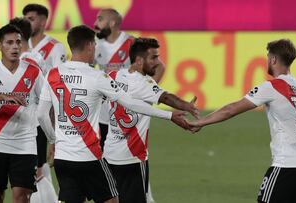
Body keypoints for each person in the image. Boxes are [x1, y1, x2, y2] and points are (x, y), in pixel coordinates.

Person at [37, 25, 190, 203]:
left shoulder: (53, 74)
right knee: (112, 200)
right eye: (94, 44)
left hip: (63, 159)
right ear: (88, 45)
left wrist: (54, 141)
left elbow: (42, 115)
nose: (95, 48)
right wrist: (170, 116)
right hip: (90, 157)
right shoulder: (98, 77)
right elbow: (131, 103)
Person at [189, 39, 296, 203]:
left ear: (273, 59)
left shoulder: (272, 86)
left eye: (268, 57)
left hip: (285, 164)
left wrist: (201, 122)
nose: (267, 61)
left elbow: (231, 110)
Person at [103, 37, 199, 203]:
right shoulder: (144, 84)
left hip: (109, 154)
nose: (157, 62)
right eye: (153, 57)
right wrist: (187, 106)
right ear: (139, 60)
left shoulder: (113, 75)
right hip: (132, 158)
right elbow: (166, 98)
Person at [94, 9, 165, 202]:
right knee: (107, 170)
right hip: (103, 117)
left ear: (113, 23)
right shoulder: (96, 46)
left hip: (128, 119)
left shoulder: (131, 43)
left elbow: (160, 66)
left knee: (134, 163)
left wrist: (145, 98)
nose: (95, 22)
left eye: (100, 19)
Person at [0, 24, 44, 203]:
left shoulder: (33, 71)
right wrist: (2, 96)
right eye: (9, 42)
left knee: (22, 197)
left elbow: (46, 102)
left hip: (25, 142)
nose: (15, 47)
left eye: (18, 42)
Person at [9, 17, 58, 203]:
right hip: (37, 124)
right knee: (38, 170)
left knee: (32, 176)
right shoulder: (38, 58)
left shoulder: (26, 62)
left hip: (28, 126)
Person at [23, 3, 67, 182]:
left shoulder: (55, 47)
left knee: (39, 164)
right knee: (30, 165)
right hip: (24, 112)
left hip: (43, 112)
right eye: (25, 19)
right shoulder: (21, 46)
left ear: (43, 21)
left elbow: (59, 84)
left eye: (31, 19)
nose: (26, 22)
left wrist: (56, 121)